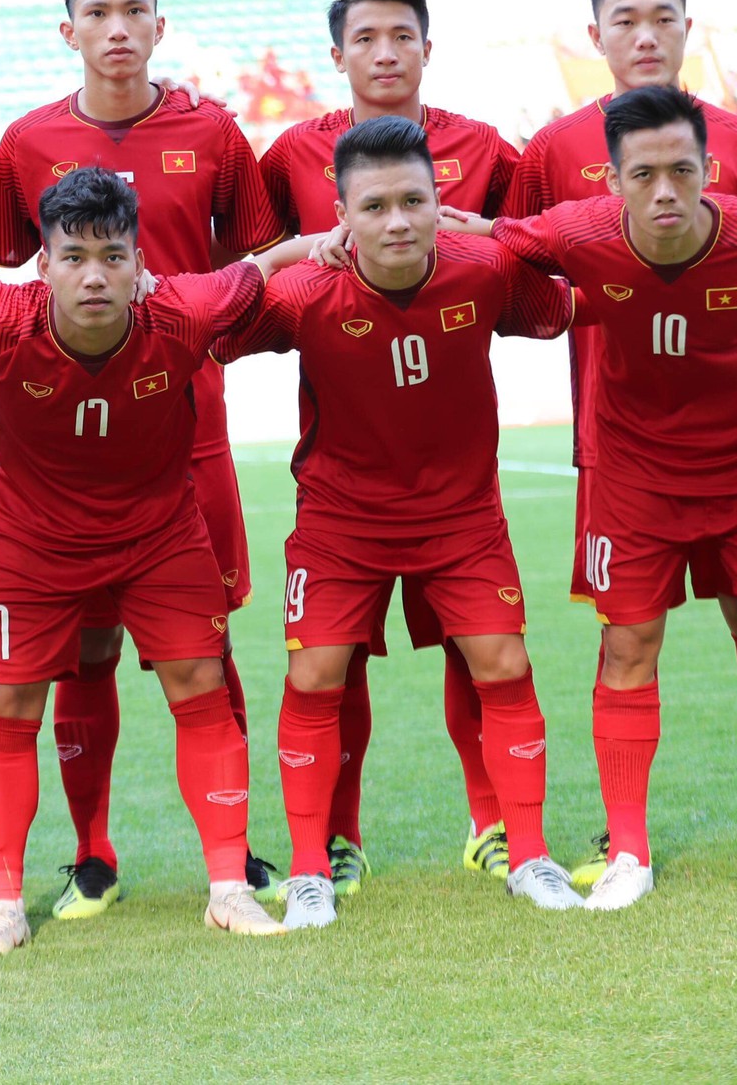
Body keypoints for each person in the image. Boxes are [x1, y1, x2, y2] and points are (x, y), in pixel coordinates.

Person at [0, 166, 291, 958]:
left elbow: (275, 262)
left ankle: (228, 887)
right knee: (10, 707)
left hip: (160, 533)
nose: (94, 275)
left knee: (201, 687)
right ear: (41, 265)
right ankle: (4, 905)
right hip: (29, 542)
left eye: (113, 256)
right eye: (74, 256)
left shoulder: (185, 311)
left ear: (141, 263)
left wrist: (350, 236)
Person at [449, 85, 737, 908]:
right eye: (644, 174)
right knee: (628, 649)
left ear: (710, 169)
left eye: (683, 170)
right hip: (634, 481)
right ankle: (629, 853)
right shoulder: (577, 231)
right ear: (612, 180)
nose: (666, 191)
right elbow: (487, 238)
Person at [502, 0, 737, 884]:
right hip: (619, 446)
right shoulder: (555, 151)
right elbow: (515, 269)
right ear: (596, 34)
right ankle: (627, 845)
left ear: (689, 27)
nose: (645, 36)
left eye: (662, 19)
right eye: (626, 21)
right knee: (629, 635)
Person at [0, 0, 287, 918]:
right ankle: (89, 851)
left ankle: (230, 857)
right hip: (56, 447)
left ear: (158, 24)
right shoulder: (23, 143)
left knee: (203, 646)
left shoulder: (216, 132)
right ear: (67, 32)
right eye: (94, 13)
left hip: (185, 435)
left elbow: (265, 262)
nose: (115, 28)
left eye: (131, 10)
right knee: (80, 654)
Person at [219, 116, 581, 927]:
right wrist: (278, 253)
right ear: (340, 214)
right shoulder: (307, 291)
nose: (397, 221)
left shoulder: (485, 270)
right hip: (341, 519)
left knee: (503, 664)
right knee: (315, 676)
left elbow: (559, 306)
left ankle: (530, 854)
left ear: (439, 200)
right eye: (373, 205)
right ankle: (311, 868)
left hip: (461, 515)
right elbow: (212, 323)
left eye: (414, 200)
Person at [259, 0, 526, 892]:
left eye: (400, 35)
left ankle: (495, 824)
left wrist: (477, 230)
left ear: (425, 45)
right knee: (334, 656)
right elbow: (247, 274)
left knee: (475, 642)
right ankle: (334, 835)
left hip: (452, 459)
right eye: (364, 38)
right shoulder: (291, 152)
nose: (383, 52)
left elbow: (532, 260)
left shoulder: (488, 148)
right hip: (345, 453)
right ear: (337, 53)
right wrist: (308, 248)